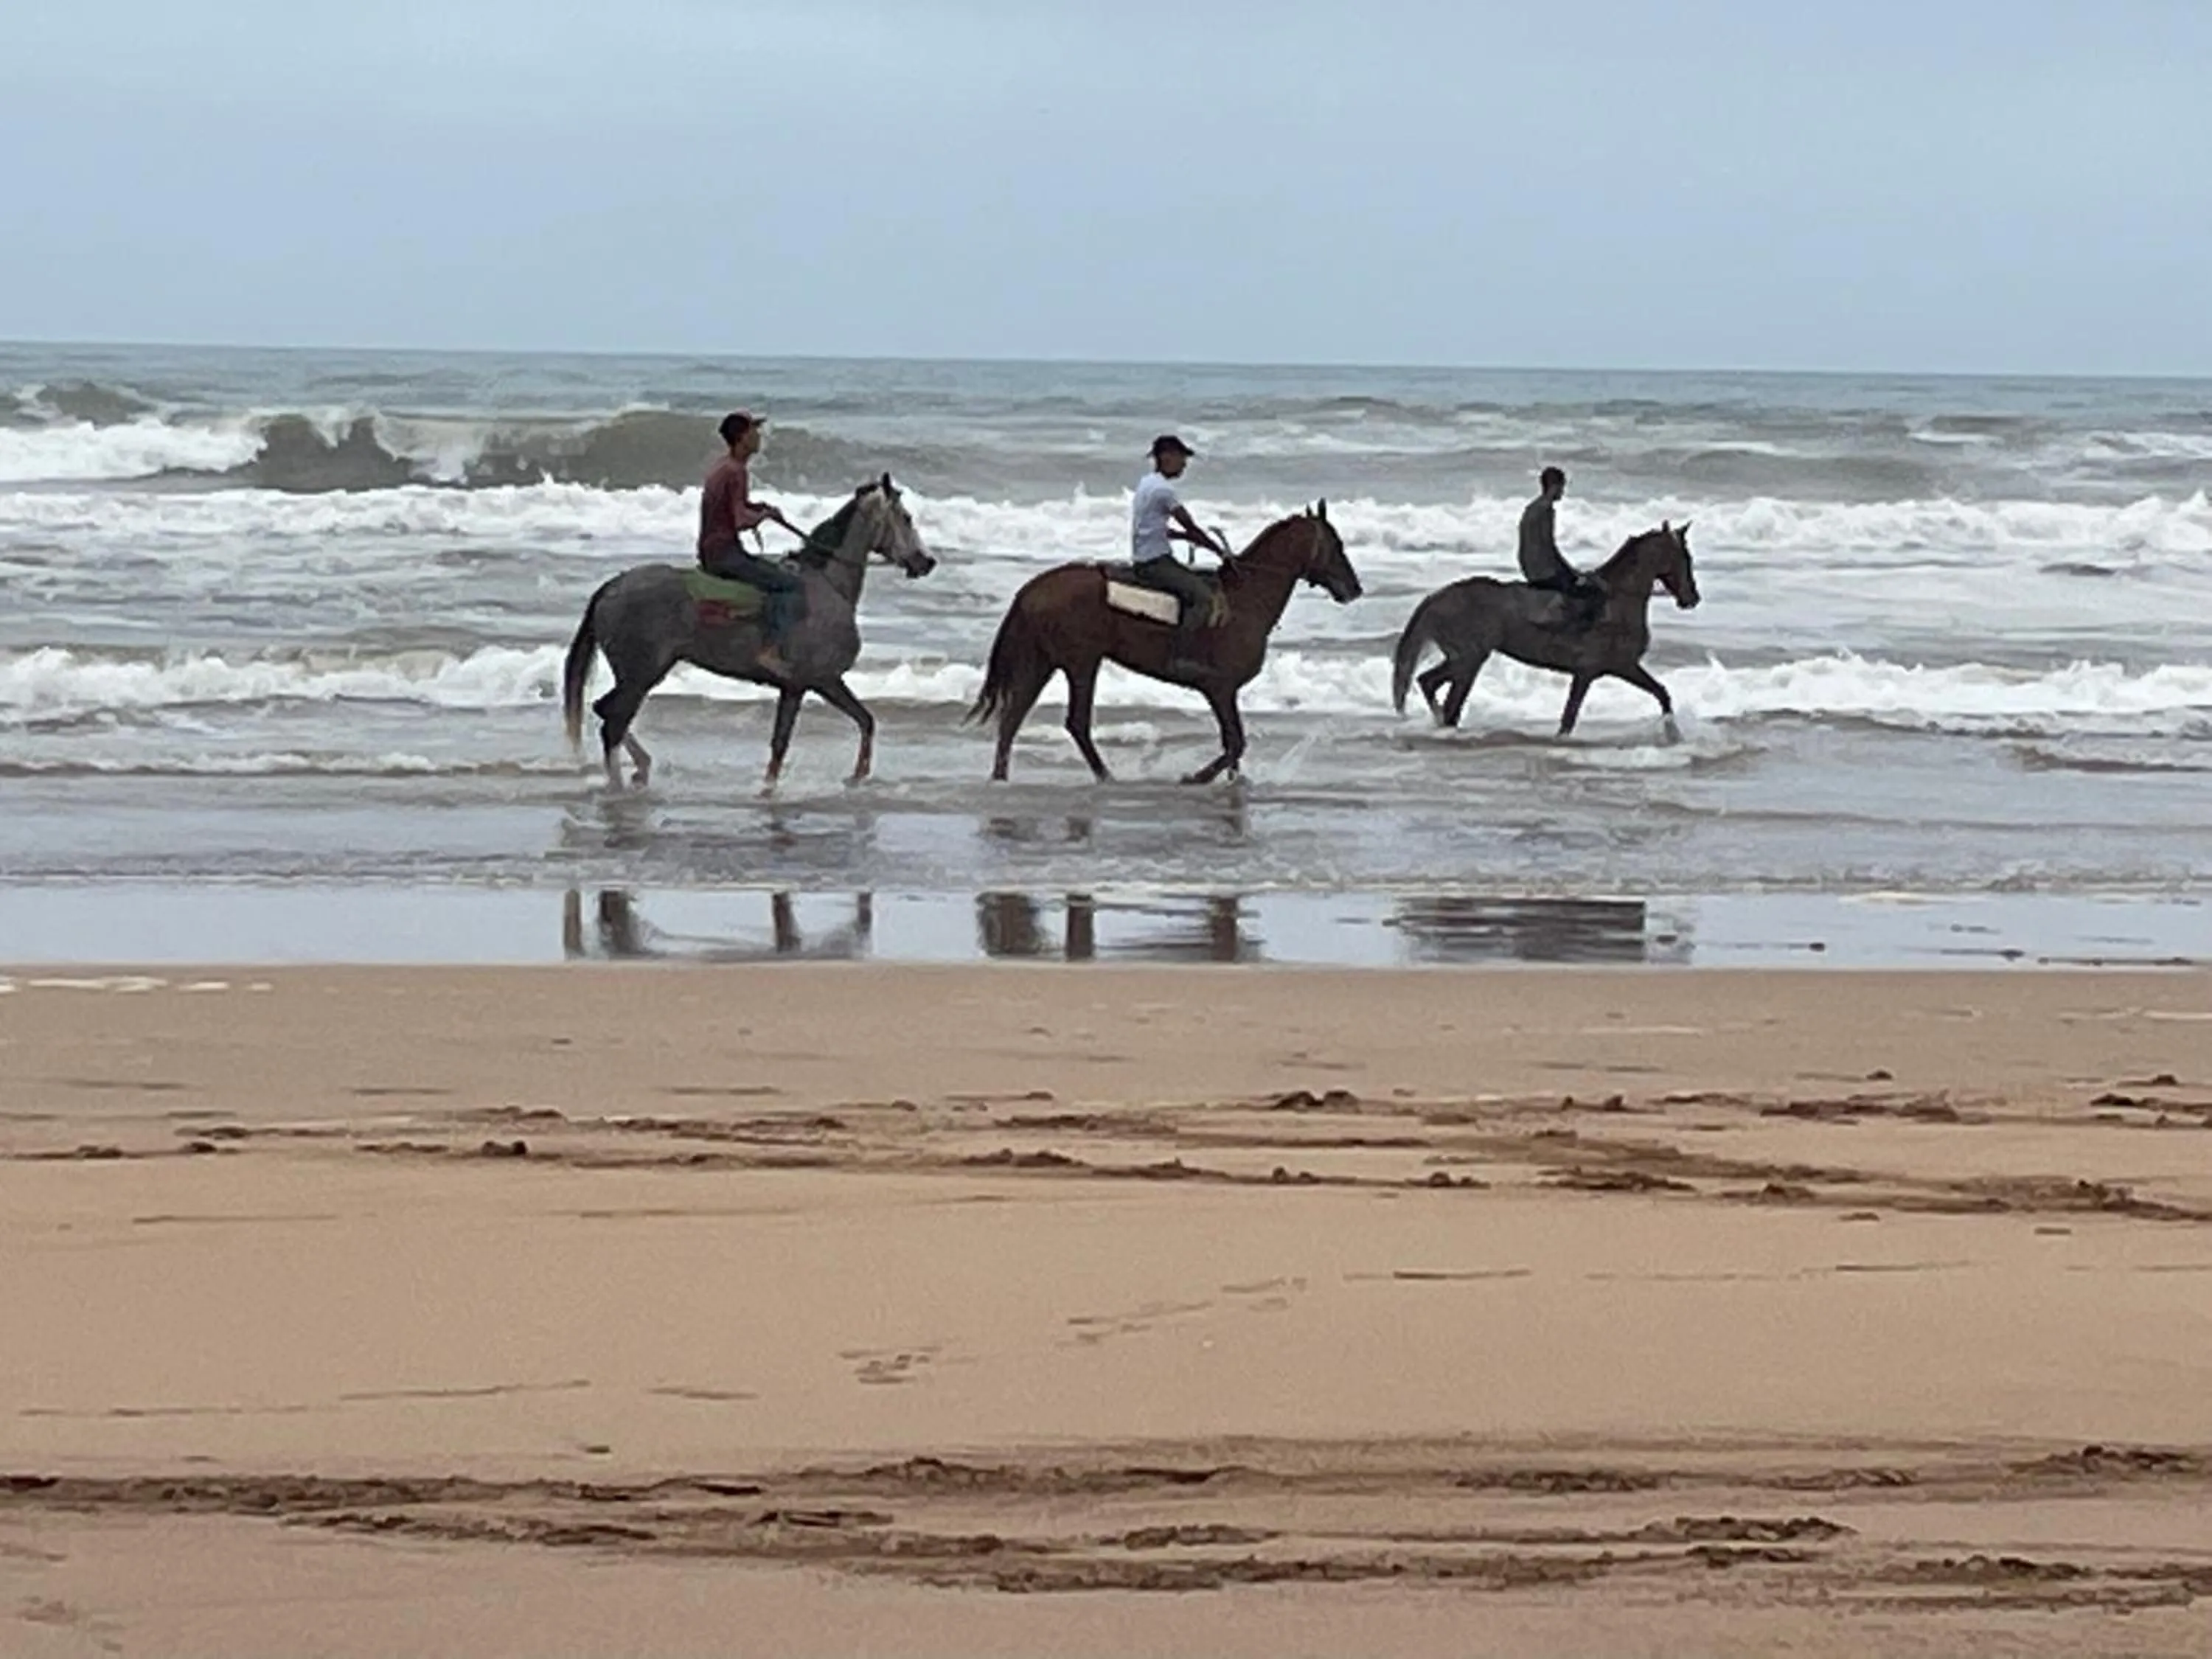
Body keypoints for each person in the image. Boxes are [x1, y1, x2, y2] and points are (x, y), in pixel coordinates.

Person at [698, 411, 807, 677]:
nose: (759, 437)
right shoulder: (735, 471)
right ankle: (769, 650)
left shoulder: (725, 466)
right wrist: (763, 516)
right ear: (742, 437)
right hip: (725, 554)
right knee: (790, 585)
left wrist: (759, 508)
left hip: (714, 549)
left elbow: (735, 508)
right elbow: (739, 520)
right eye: (754, 432)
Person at [1130, 434, 1232, 672]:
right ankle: (1180, 656)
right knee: (1204, 599)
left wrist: (1179, 536)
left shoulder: (1146, 483)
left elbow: (1150, 526)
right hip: (1155, 562)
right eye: (1181, 459)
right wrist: (1221, 553)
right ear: (1166, 458)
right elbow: (1192, 526)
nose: (1184, 465)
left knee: (1205, 580)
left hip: (1148, 554)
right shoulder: (1164, 491)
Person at [1517, 465, 1604, 627]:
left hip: (1529, 566)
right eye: (1562, 487)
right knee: (1589, 593)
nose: (1563, 492)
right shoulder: (1546, 511)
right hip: (1542, 570)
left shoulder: (1532, 508)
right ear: (1554, 486)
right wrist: (1572, 573)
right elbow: (1549, 548)